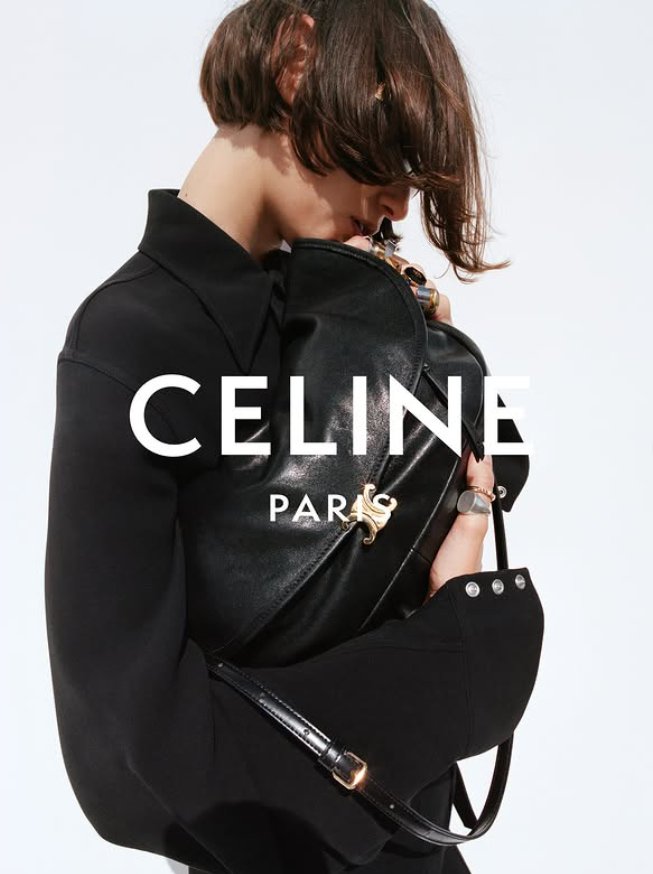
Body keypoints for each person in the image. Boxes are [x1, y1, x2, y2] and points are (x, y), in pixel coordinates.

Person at [44, 2, 544, 873]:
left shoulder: (348, 311)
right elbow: (127, 760)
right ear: (296, 59)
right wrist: (446, 657)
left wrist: (410, 349)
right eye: (389, 156)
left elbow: (496, 465)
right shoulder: (132, 342)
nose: (397, 202)